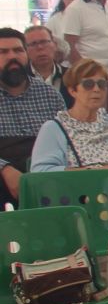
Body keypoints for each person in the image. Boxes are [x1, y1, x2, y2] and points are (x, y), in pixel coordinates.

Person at [28, 55, 108, 173]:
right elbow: (41, 170)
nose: (96, 89)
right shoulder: (54, 128)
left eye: (101, 84)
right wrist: (91, 173)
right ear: (72, 90)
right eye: (88, 84)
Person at [0, 28, 67, 205]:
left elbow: (68, 140)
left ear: (27, 54)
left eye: (18, 50)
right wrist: (5, 169)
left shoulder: (49, 95)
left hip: (47, 172)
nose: (12, 57)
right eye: (3, 52)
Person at [23, 23, 67, 96]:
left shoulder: (70, 75)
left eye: (44, 42)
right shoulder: (21, 77)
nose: (40, 47)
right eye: (33, 44)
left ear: (55, 45)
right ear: (25, 49)